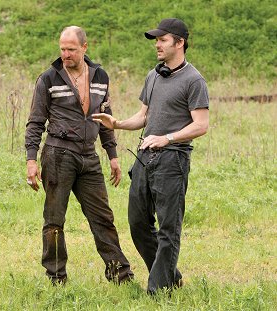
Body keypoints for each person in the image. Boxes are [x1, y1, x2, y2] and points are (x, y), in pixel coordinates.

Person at [92, 18, 209, 294]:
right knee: (137, 223)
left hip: (172, 160)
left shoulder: (194, 80)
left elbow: (201, 124)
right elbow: (144, 116)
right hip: (145, 159)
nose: (157, 44)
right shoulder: (154, 75)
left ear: (179, 43)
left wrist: (167, 138)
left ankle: (158, 291)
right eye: (156, 40)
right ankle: (171, 277)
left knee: (169, 228)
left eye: (162, 40)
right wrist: (117, 123)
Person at [25, 26, 134, 285]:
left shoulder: (100, 76)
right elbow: (35, 122)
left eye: (71, 49)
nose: (66, 54)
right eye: (62, 49)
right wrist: (31, 160)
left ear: (84, 48)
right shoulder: (49, 78)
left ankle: (120, 275)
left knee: (103, 217)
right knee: (54, 220)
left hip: (89, 156)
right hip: (58, 154)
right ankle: (56, 277)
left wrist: (113, 155)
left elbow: (105, 116)